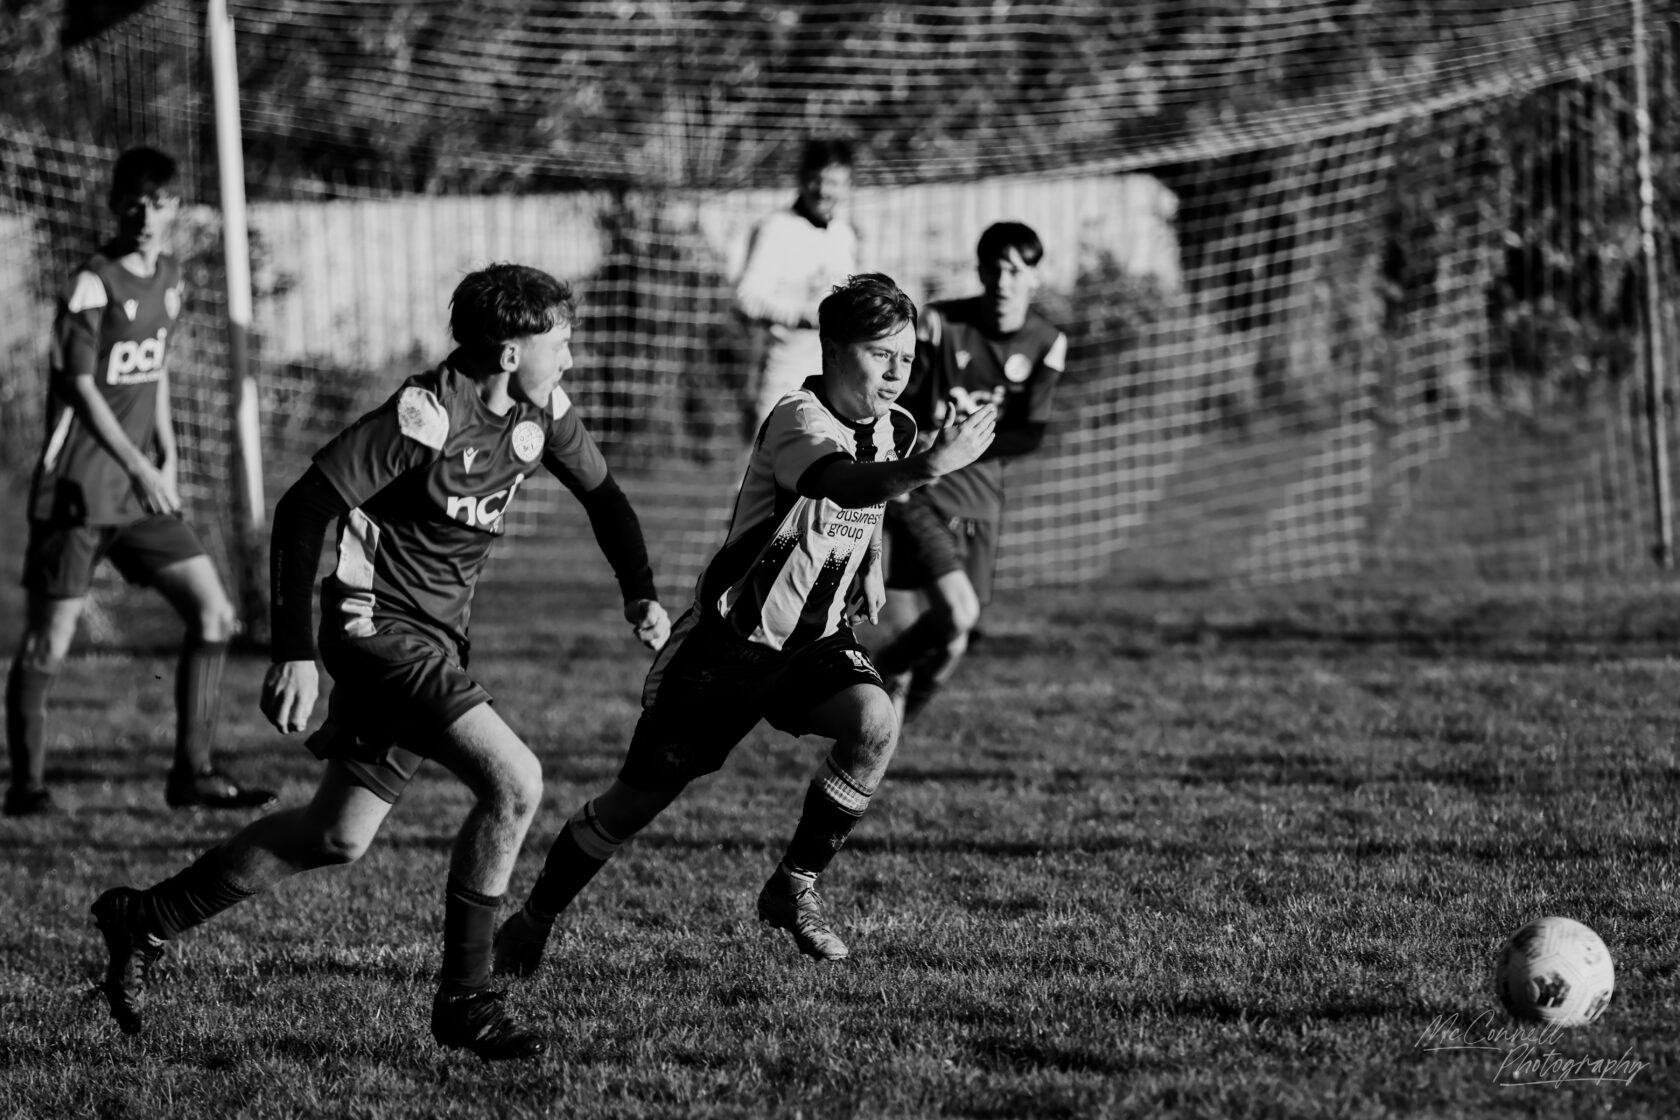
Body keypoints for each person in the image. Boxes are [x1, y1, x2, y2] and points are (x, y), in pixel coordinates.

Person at [89, 263, 672, 1061]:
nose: (569, 357)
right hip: (376, 634)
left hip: (432, 642)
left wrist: (638, 593)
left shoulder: (541, 415)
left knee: (335, 834)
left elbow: (606, 498)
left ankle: (144, 920)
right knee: (516, 783)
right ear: (508, 353)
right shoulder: (425, 417)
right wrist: (295, 652)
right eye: (559, 342)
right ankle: (466, 998)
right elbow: (304, 509)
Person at [492, 273, 997, 972]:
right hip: (724, 651)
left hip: (813, 643)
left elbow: (870, 500)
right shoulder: (798, 420)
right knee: (632, 805)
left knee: (876, 722)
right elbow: (841, 482)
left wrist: (871, 562)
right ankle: (533, 919)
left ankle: (794, 887)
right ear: (834, 350)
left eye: (907, 359)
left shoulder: (897, 427)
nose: (897, 372)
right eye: (882, 355)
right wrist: (935, 465)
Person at [5, 146, 274, 817]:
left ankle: (193, 774)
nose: (147, 214)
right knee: (49, 642)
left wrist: (171, 451)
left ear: (176, 208)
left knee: (214, 613)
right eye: (135, 201)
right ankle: (28, 788)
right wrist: (139, 464)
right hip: (80, 489)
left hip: (142, 485)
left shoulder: (172, 279)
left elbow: (153, 373)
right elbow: (81, 390)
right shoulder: (91, 283)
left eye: (160, 202)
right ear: (114, 204)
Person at [872, 222, 1068, 725]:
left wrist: (963, 450)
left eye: (1014, 270)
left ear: (1033, 278)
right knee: (957, 614)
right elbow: (901, 402)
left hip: (981, 499)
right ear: (979, 271)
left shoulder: (1047, 341)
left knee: (956, 635)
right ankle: (875, 683)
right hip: (923, 491)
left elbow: (1029, 434)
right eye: (992, 269)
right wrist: (919, 457)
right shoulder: (939, 324)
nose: (1002, 281)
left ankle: (882, 731)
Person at [735, 138, 860, 436]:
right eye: (816, 179)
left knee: (825, 473)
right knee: (764, 473)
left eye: (833, 181)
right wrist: (800, 316)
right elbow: (746, 298)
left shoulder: (844, 236)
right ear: (802, 178)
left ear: (848, 185)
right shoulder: (776, 228)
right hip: (781, 373)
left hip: (833, 377)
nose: (823, 190)